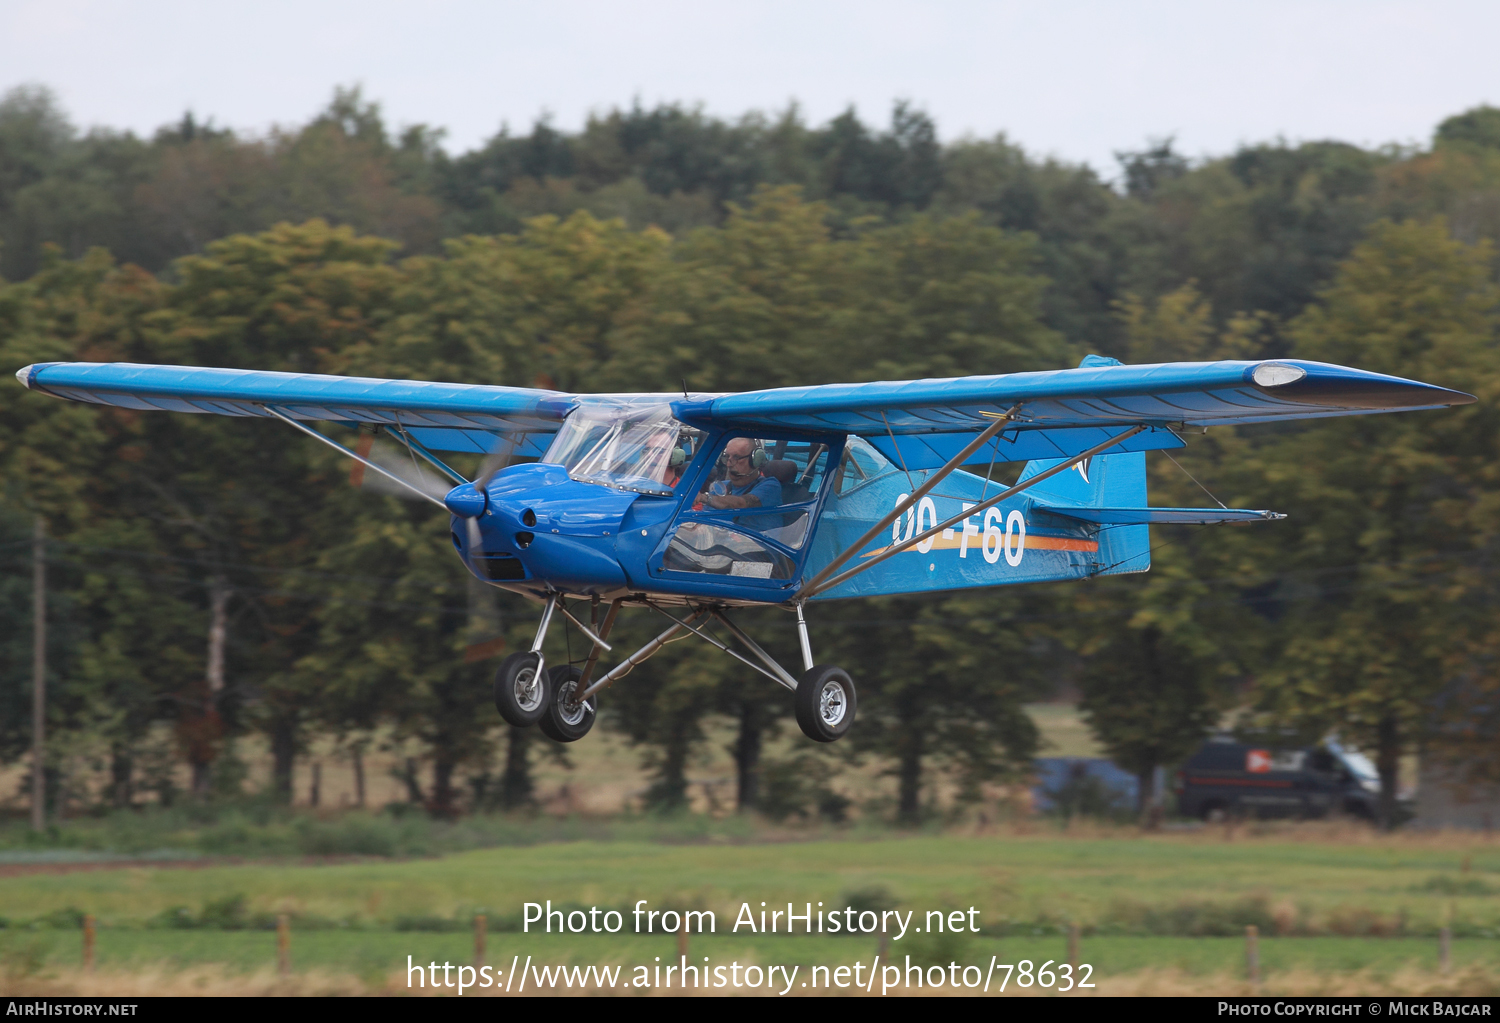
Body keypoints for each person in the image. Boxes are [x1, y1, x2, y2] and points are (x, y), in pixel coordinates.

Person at [702, 437, 780, 511]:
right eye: (727, 457)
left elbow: (741, 504)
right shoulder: (719, 488)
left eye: (736, 457)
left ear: (755, 460)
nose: (729, 465)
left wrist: (705, 498)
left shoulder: (771, 486)